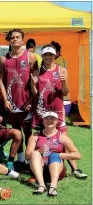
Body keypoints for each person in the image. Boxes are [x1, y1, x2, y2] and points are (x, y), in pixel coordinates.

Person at [31, 44, 87, 179]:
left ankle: (75, 168)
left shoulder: (62, 70)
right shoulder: (37, 72)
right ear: (42, 56)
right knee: (39, 140)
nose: (48, 57)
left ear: (55, 55)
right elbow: (35, 94)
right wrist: (33, 84)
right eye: (45, 55)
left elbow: (66, 93)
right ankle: (38, 170)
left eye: (50, 54)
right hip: (41, 111)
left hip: (58, 111)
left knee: (63, 139)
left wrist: (64, 83)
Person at [0, 29, 38, 171]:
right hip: (11, 104)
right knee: (16, 132)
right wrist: (4, 100)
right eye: (12, 37)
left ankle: (31, 161)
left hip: (26, 103)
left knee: (28, 132)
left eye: (17, 37)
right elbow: (1, 81)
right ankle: (20, 161)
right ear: (9, 40)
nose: (14, 39)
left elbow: (36, 82)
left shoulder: (31, 57)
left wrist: (32, 101)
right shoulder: (3, 59)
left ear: (22, 40)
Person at [25, 111, 81, 196]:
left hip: (57, 169)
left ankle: (53, 186)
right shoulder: (35, 136)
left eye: (52, 119)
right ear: (43, 121)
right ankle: (41, 185)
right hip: (39, 170)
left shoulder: (62, 136)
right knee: (35, 154)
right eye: (46, 118)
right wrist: (39, 151)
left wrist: (62, 155)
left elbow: (77, 155)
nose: (49, 120)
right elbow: (27, 156)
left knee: (54, 155)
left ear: (57, 121)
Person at [50, 41, 71, 116]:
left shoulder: (61, 61)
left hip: (62, 95)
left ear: (58, 52)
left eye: (52, 51)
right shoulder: (51, 60)